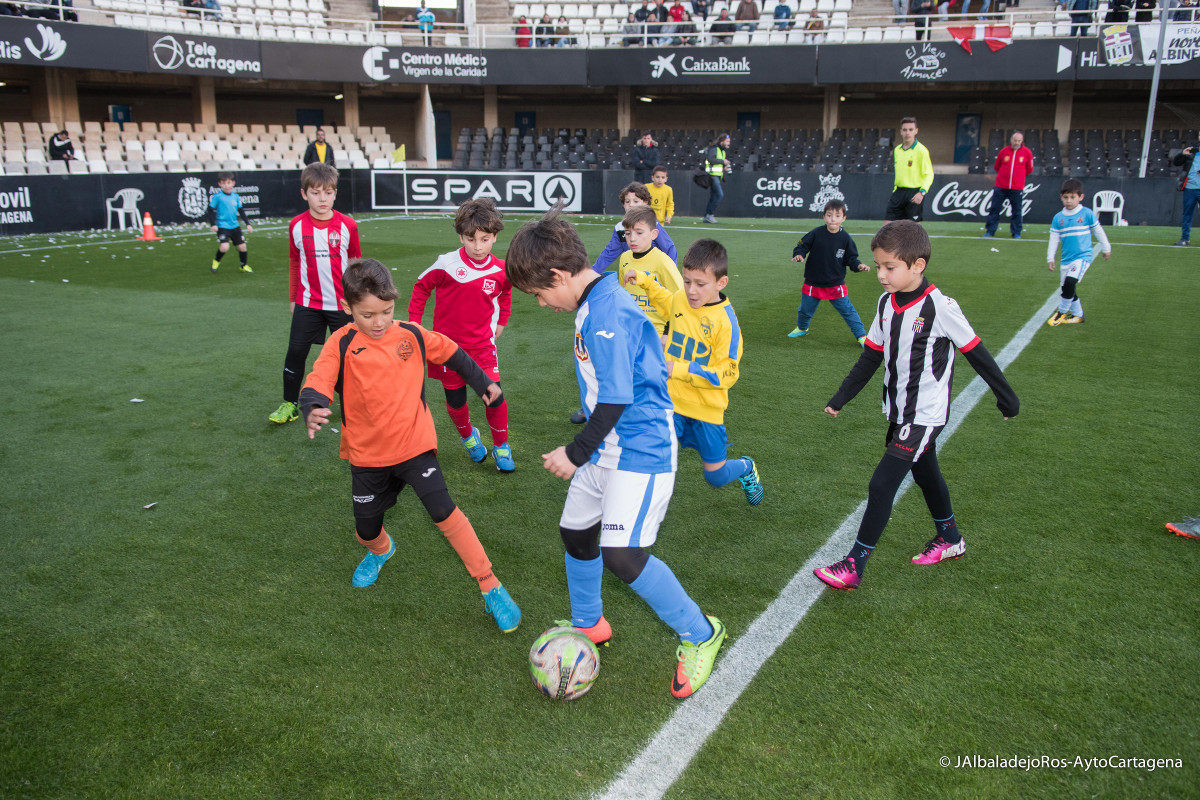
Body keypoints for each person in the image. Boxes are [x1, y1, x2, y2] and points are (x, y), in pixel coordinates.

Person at [504, 209, 727, 699]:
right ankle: (590, 622)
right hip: (609, 446)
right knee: (575, 531)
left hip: (640, 447)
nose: (542, 304)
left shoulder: (605, 310)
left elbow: (617, 396)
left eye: (540, 294)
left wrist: (575, 451)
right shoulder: (595, 298)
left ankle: (702, 633)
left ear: (559, 276)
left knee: (623, 555)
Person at [299, 258, 522, 633]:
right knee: (366, 529)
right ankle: (380, 550)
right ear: (348, 307)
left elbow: (454, 353)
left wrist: (484, 383)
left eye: (386, 311)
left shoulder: (411, 335)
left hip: (415, 444)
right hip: (368, 455)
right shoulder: (342, 342)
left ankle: (491, 586)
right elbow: (319, 378)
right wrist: (313, 405)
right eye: (368, 314)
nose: (380, 321)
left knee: (444, 510)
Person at [815, 220, 1020, 591]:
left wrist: (1006, 396)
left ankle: (853, 564)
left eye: (889, 267)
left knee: (882, 485)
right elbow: (871, 357)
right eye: (878, 266)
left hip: (925, 414)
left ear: (917, 265)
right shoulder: (885, 303)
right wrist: (841, 396)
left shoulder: (940, 306)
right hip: (898, 410)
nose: (881, 274)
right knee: (926, 472)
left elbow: (976, 352)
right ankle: (950, 538)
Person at [623, 238, 763, 504]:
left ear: (721, 283)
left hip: (705, 410)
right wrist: (642, 278)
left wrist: (679, 368)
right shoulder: (681, 300)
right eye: (687, 281)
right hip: (670, 402)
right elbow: (665, 298)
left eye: (700, 284)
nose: (691, 290)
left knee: (716, 477)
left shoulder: (726, 324)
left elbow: (728, 374)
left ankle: (746, 467)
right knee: (655, 456)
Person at [407, 198, 516, 473]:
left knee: (495, 396)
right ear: (461, 236)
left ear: (494, 237)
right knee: (456, 403)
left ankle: (501, 446)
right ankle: (469, 438)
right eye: (471, 239)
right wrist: (414, 326)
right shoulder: (446, 264)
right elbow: (421, 288)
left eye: (485, 239)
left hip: (482, 348)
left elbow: (506, 292)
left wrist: (502, 320)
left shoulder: (501, 269)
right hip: (446, 350)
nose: (478, 246)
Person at [569, 184, 678, 425]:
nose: (631, 207)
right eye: (627, 203)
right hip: (631, 316)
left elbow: (671, 264)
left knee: (651, 372)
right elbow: (609, 256)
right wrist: (588, 278)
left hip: (656, 319)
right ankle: (595, 406)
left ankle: (662, 413)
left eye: (636, 202)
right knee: (610, 363)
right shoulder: (623, 241)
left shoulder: (656, 239)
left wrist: (669, 327)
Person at [268, 162, 360, 425]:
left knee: (349, 357)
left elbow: (356, 263)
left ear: (335, 193)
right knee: (296, 352)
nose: (323, 198)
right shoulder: (296, 225)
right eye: (316, 192)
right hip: (307, 302)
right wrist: (292, 299)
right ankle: (289, 404)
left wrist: (356, 300)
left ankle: (353, 406)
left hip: (342, 305)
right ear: (303, 193)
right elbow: (295, 262)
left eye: (329, 192)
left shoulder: (347, 225)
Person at [788, 199, 870, 344]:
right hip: (813, 282)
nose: (833, 219)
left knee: (848, 312)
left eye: (837, 215)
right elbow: (801, 246)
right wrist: (799, 254)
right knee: (804, 310)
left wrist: (858, 266)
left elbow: (851, 259)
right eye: (829, 215)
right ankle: (802, 328)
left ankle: (862, 336)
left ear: (844, 218)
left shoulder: (846, 239)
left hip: (835, 284)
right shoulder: (816, 233)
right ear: (824, 216)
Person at [1046, 178, 1112, 326]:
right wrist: (1050, 257)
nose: (1069, 201)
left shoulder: (1087, 214)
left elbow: (1098, 231)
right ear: (1061, 197)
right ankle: (1078, 315)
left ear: (1080, 197)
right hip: (1066, 259)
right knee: (1067, 288)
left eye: (1072, 197)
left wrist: (1106, 247)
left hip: (1082, 257)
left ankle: (1061, 312)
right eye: (1065, 197)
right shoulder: (1058, 218)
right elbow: (1054, 238)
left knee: (1070, 282)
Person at [615, 205, 684, 338]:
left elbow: (681, 300)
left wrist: (668, 331)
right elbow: (623, 294)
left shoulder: (663, 261)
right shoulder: (625, 258)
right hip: (630, 332)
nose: (632, 238)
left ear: (654, 234)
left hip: (656, 334)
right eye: (628, 233)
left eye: (639, 233)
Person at [984, 130, 1035, 239]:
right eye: (1015, 140)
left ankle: (1016, 232)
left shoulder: (1027, 152)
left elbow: (1029, 169)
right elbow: (997, 166)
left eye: (1019, 141)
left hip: (1017, 188)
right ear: (1011, 140)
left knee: (1017, 211)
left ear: (1022, 141)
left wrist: (1018, 177)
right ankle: (990, 231)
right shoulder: (1003, 151)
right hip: (1000, 186)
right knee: (994, 209)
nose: (1017, 142)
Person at [885, 117, 933, 225]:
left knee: (913, 230)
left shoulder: (922, 151)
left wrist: (922, 192)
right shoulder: (897, 150)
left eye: (911, 130)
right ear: (901, 131)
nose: (908, 133)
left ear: (916, 131)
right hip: (898, 193)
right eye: (905, 130)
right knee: (887, 228)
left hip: (914, 193)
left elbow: (929, 174)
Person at [207, 171, 253, 274]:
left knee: (242, 246)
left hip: (235, 226)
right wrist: (213, 224)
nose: (226, 185)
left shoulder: (235, 196)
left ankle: (243, 266)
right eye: (223, 183)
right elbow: (210, 210)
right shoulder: (218, 197)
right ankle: (216, 261)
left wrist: (247, 224)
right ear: (220, 184)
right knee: (224, 247)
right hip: (223, 226)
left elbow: (241, 211)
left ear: (233, 183)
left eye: (228, 182)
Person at [1172, 143, 1199, 245]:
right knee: (1187, 214)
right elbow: (1176, 163)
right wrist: (1182, 154)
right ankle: (1185, 239)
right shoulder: (1192, 150)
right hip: (1190, 188)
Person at [702, 133, 731, 223]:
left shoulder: (722, 151)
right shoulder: (714, 148)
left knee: (714, 195)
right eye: (727, 141)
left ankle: (707, 216)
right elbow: (711, 159)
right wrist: (723, 161)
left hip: (717, 175)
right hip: (713, 175)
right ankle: (710, 215)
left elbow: (716, 163)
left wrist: (723, 168)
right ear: (722, 141)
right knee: (719, 194)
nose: (728, 143)